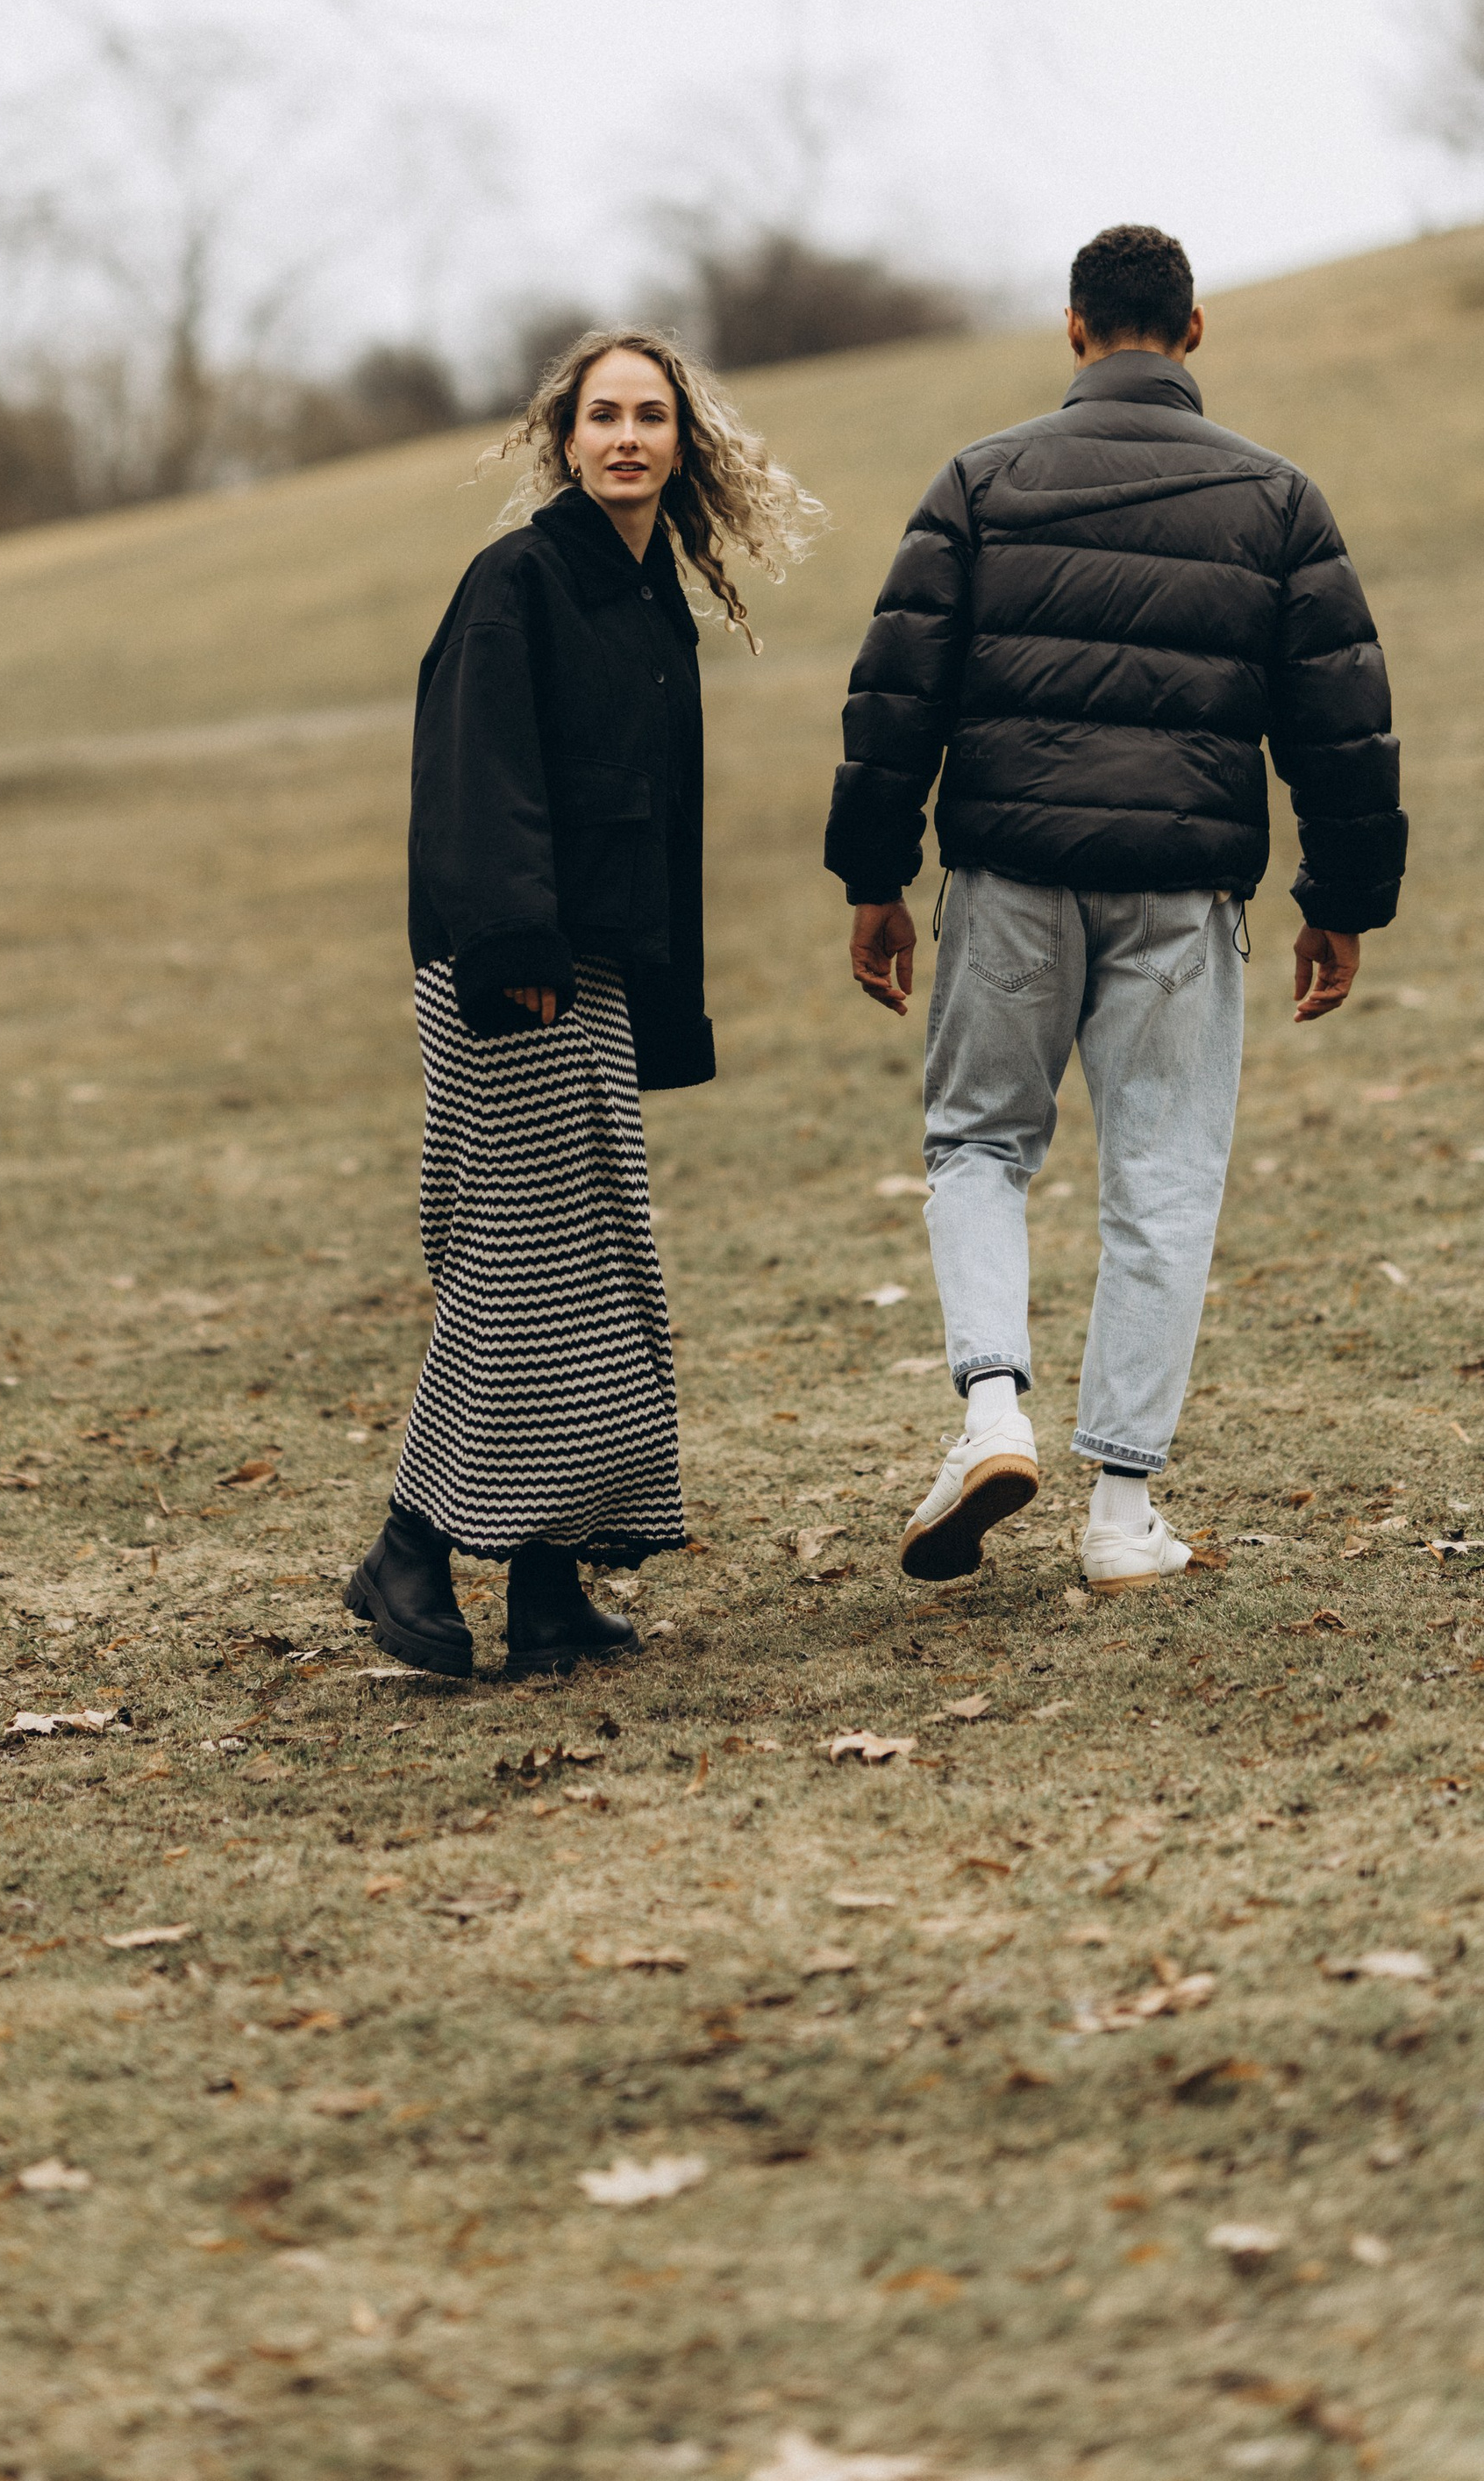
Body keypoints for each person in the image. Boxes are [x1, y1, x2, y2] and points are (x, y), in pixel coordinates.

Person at [824, 225, 1404, 1591]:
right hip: (1181, 895)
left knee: (980, 1143)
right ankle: (1122, 1513)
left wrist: (875, 878)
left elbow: (894, 693)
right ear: (1193, 330)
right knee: (1164, 1181)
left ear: (1075, 328)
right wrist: (1342, 902)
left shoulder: (981, 480)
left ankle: (991, 1413)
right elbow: (1342, 724)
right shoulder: (1277, 499)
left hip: (1009, 878)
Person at [347, 329, 819, 1679]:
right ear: (566, 438)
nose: (626, 437)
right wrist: (515, 943)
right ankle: (409, 1548)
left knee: (593, 1267)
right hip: (512, 969)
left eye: (649, 416)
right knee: (524, 1263)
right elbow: (474, 774)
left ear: (681, 442)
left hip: (591, 968)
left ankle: (549, 1585)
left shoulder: (649, 596)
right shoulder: (520, 579)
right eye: (603, 415)